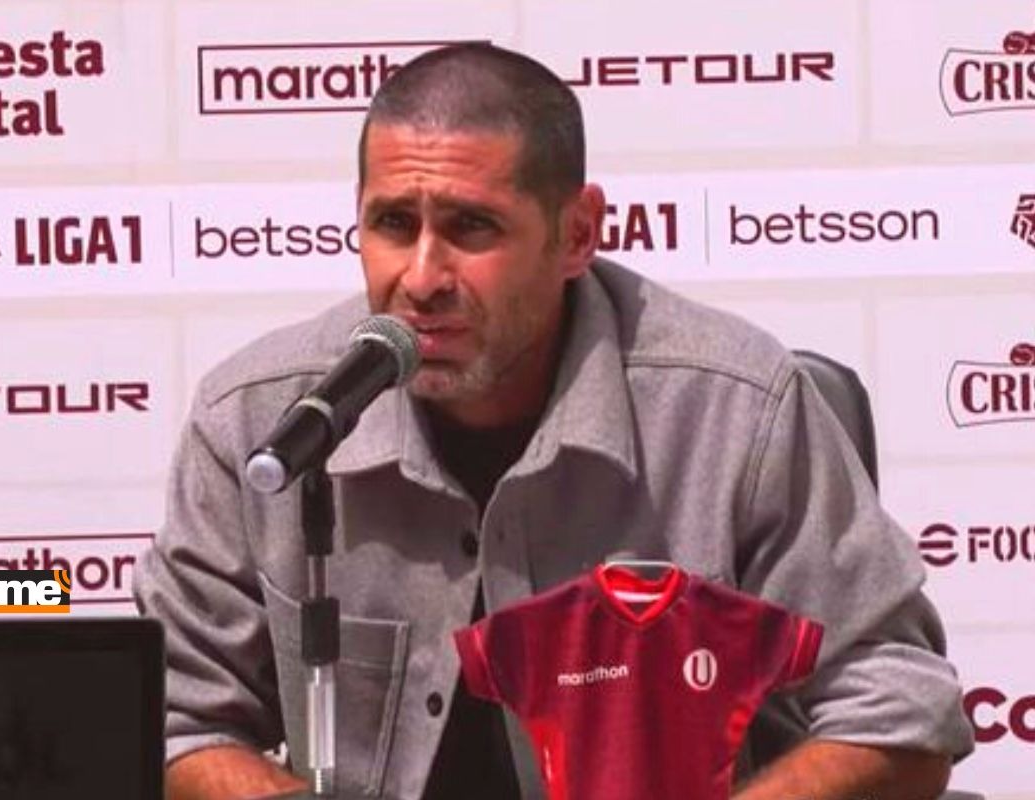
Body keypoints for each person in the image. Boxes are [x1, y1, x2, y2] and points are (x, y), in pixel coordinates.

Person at [134, 43, 973, 800]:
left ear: (576, 235)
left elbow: (902, 712)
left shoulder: (736, 408)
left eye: (471, 227)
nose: (421, 277)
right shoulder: (263, 422)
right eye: (393, 223)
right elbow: (172, 717)